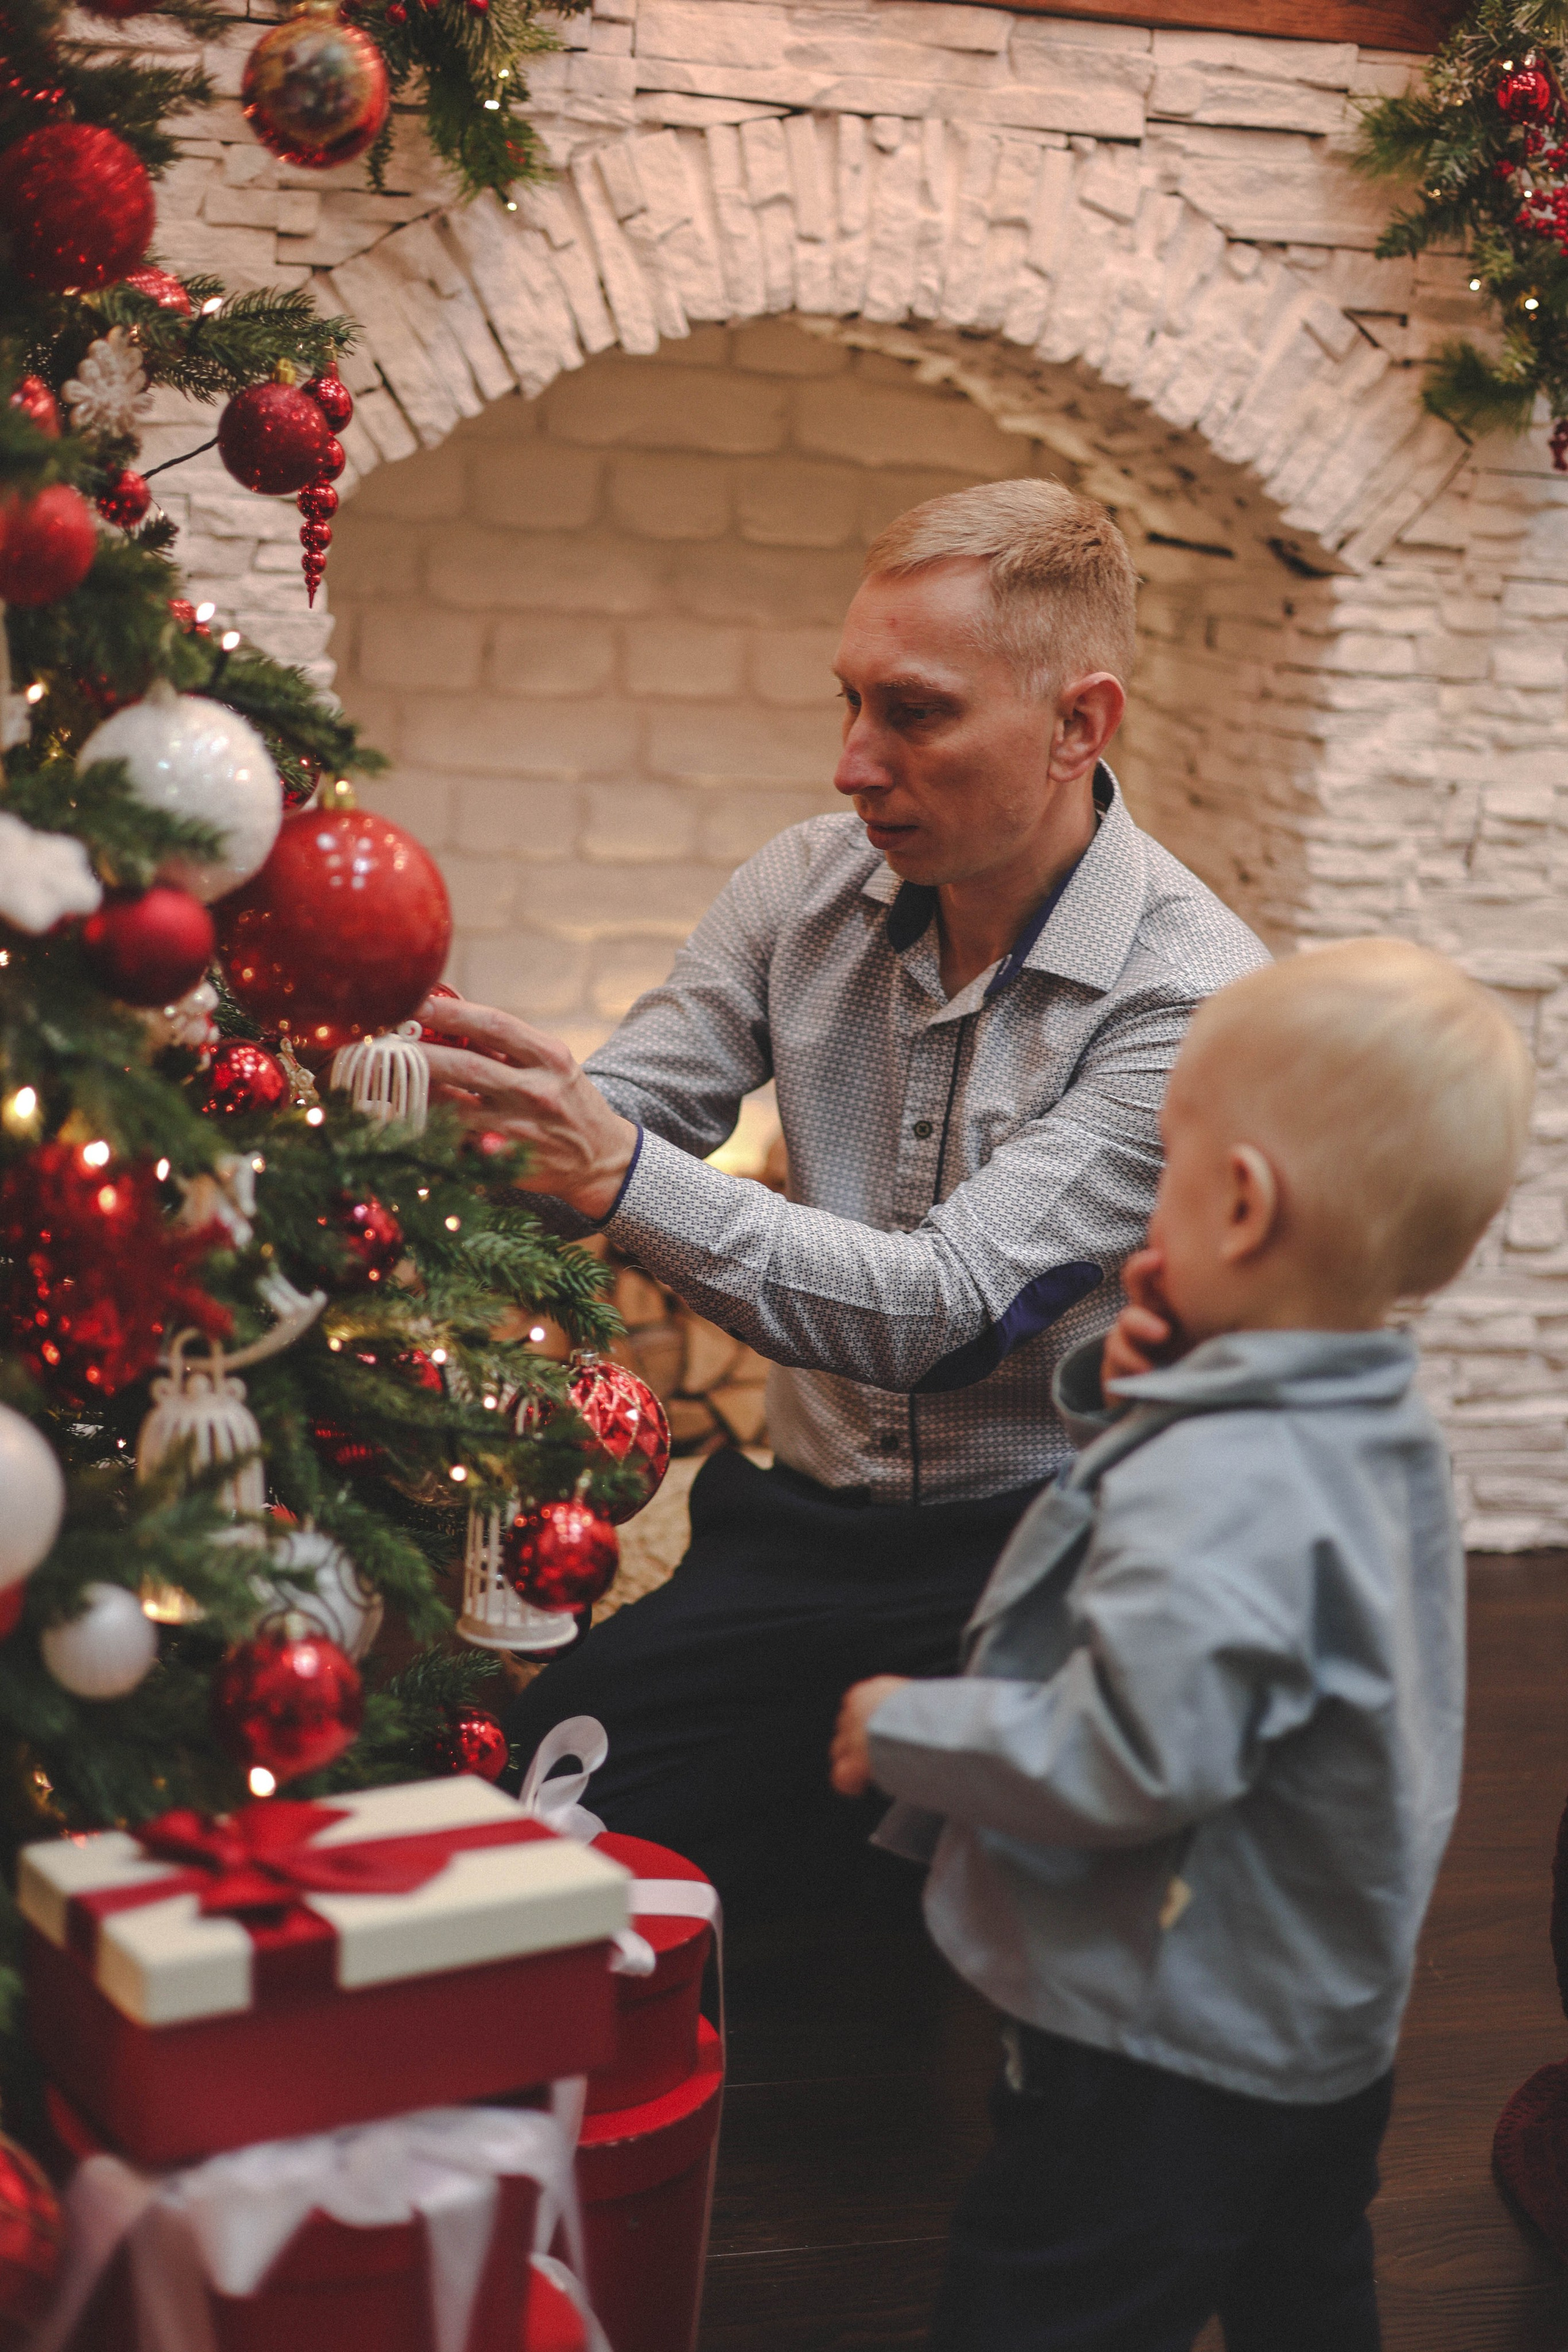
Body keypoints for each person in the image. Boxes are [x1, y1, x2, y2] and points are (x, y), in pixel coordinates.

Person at [418, 479, 1267, 1905]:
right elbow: (628, 1110)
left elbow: (940, 1314)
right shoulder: (800, 889)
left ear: (1078, 725)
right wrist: (460, 1109)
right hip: (800, 1530)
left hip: (1054, 1563)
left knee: (954, 1922)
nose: (850, 766)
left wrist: (610, 1166)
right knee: (550, 1800)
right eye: (850, 702)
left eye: (914, 713)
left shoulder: (1192, 998)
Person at [829, 938, 1534, 2352]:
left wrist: (903, 1725)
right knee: (1301, 2283)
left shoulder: (1224, 1483)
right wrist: (1141, 1391)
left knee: (1041, 2305)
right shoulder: (1363, 1418)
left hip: (1159, 2043)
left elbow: (1123, 1756)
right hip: (1320, 2016)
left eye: (1167, 1169)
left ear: (1240, 1201)